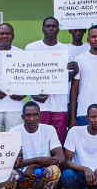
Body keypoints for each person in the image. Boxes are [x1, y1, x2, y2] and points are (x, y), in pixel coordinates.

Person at [24, 16, 77, 145]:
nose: (51, 28)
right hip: (39, 105)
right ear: (43, 28)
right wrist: (33, 94)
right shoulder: (31, 48)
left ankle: (56, 165)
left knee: (58, 141)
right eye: (48, 26)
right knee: (39, 141)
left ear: (58, 29)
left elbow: (66, 78)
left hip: (60, 104)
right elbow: (25, 75)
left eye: (54, 26)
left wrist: (74, 72)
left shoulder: (67, 50)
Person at [2, 102, 63, 189]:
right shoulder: (14, 132)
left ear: (40, 116)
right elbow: (10, 163)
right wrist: (38, 159)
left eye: (35, 115)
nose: (32, 118)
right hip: (21, 174)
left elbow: (60, 157)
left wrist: (33, 165)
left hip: (41, 172)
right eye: (28, 115)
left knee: (54, 170)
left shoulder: (49, 130)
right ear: (22, 117)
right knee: (7, 172)